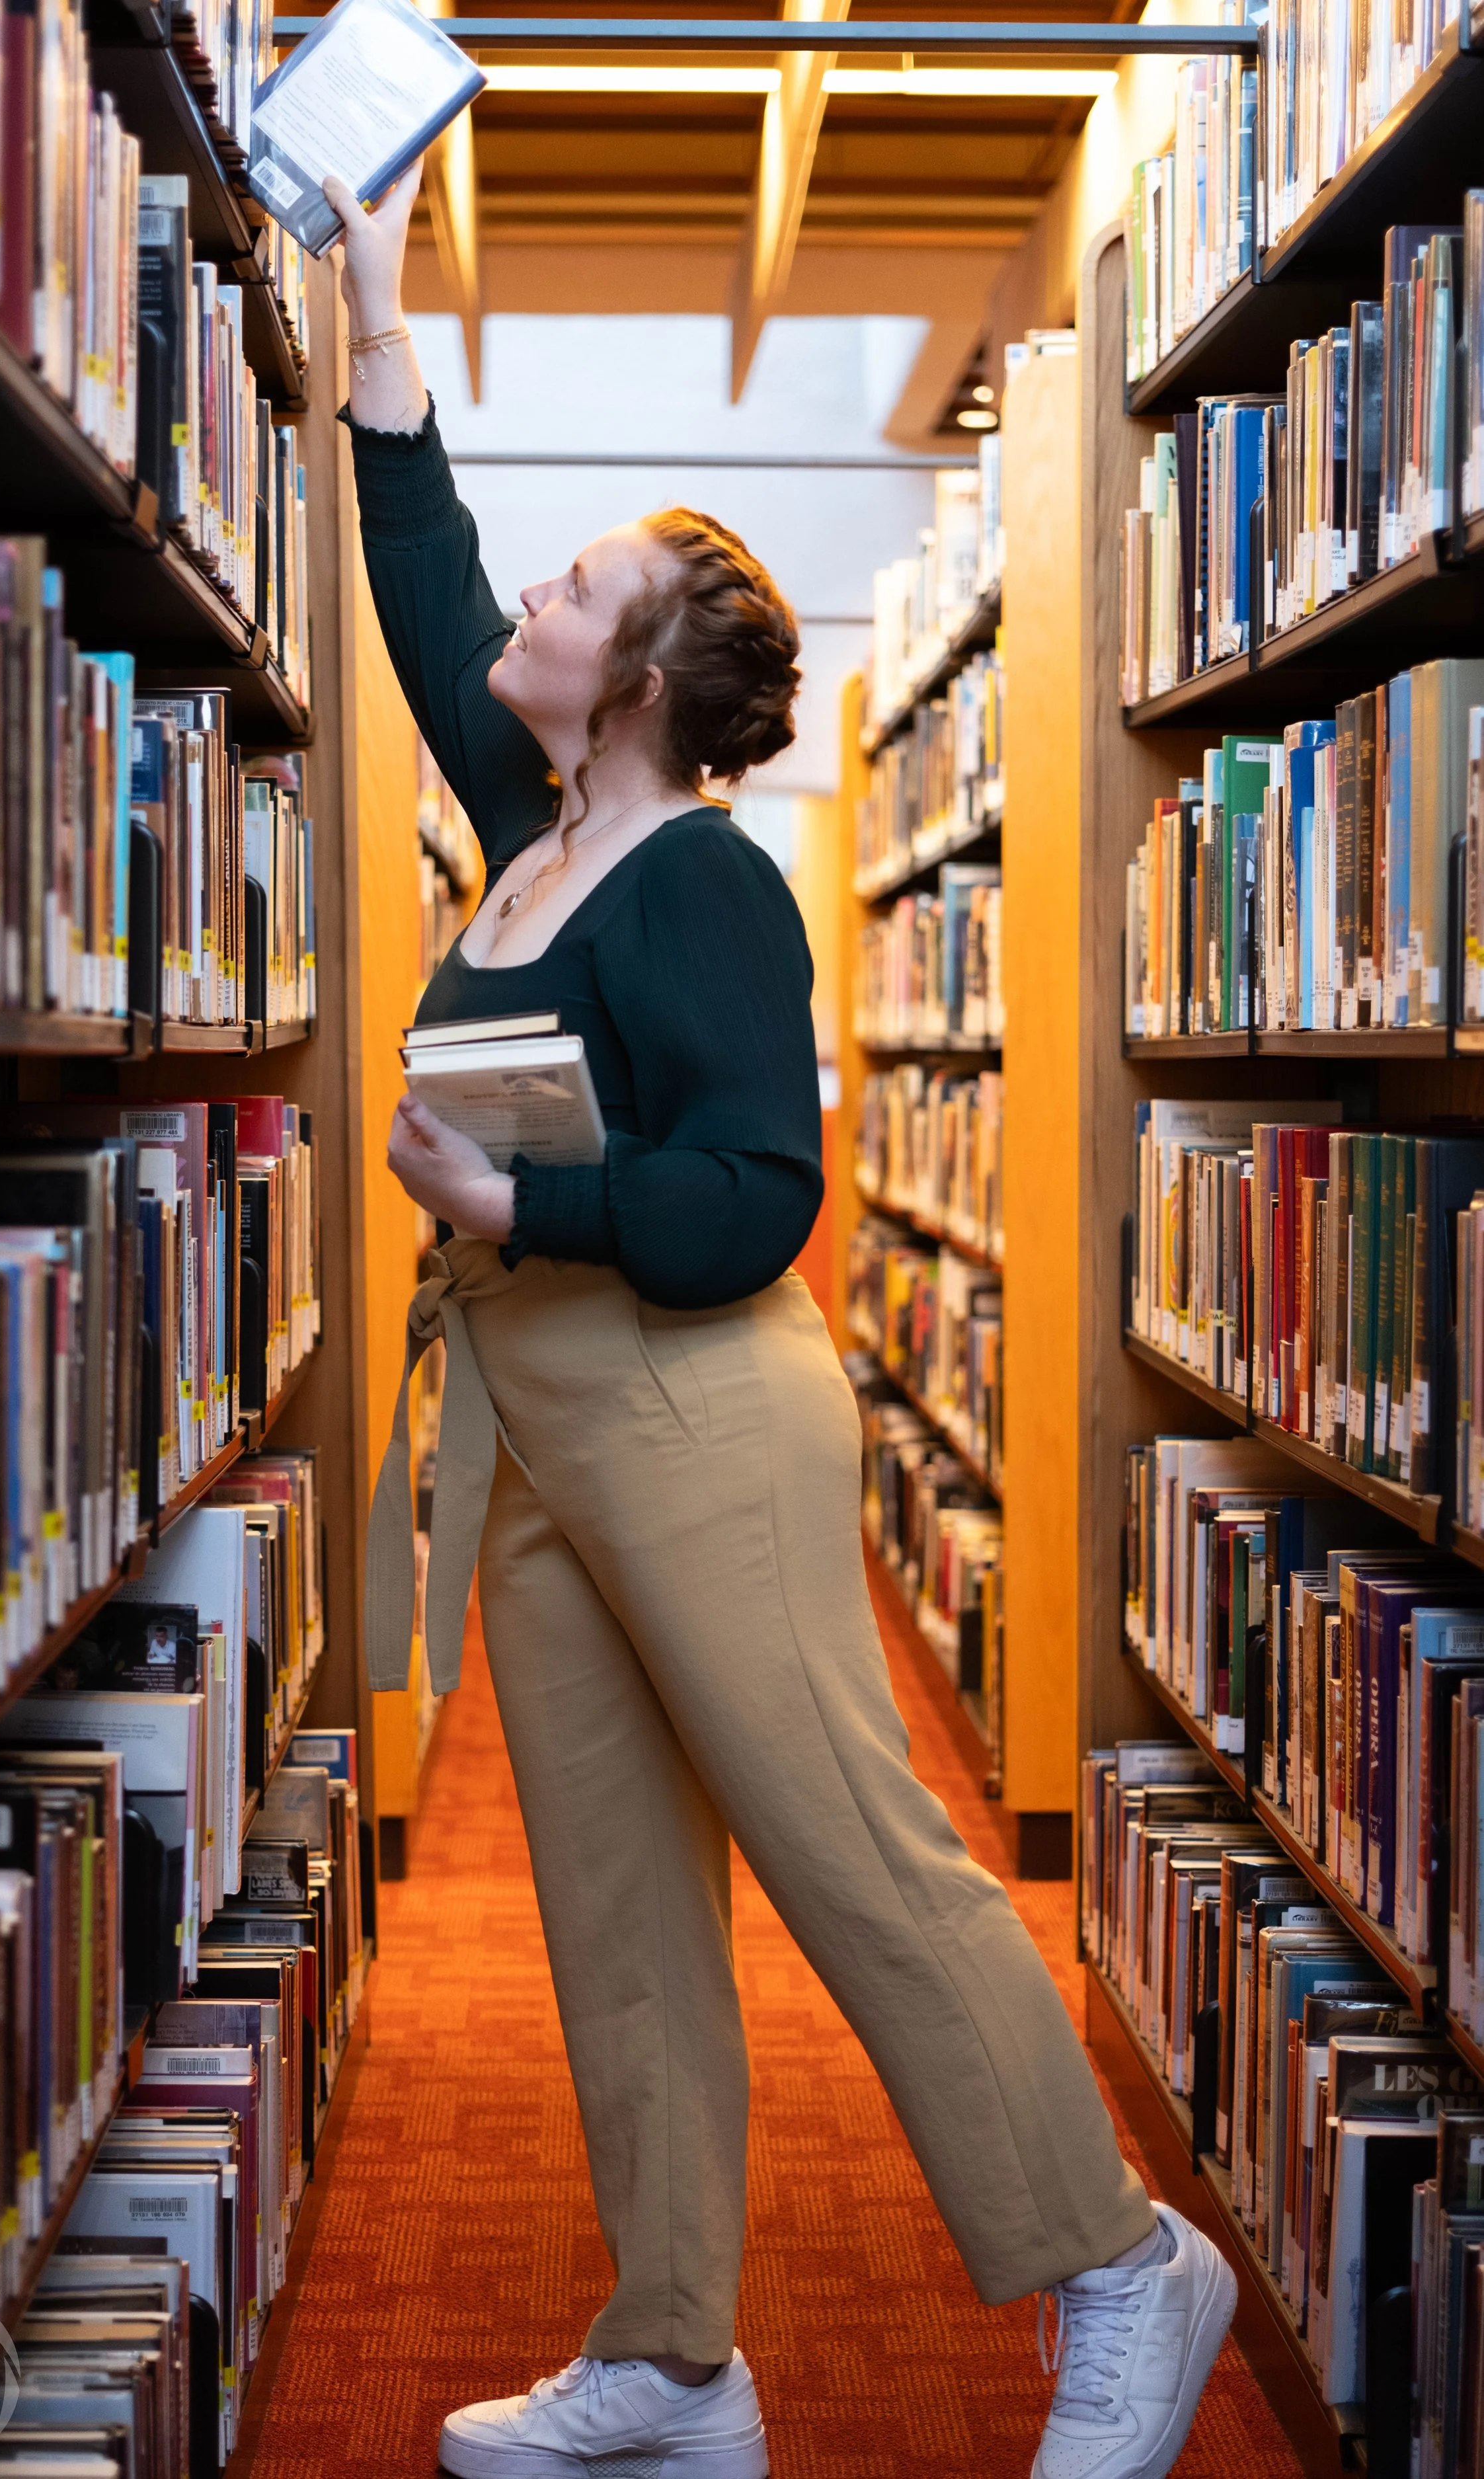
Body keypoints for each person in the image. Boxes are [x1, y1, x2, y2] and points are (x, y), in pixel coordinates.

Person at [326, 157, 1237, 2479]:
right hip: (536, 1421)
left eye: (578, 584)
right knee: (618, 1899)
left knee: (849, 1847)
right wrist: (370, 281)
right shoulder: (527, 817)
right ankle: (675, 2354)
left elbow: (757, 1199)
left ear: (631, 675)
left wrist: (515, 1195)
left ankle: (1121, 2262)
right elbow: (429, 583)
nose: (528, 597)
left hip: (694, 1406)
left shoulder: (701, 880)